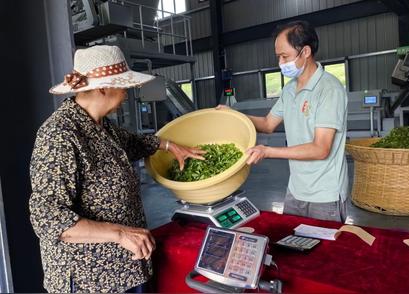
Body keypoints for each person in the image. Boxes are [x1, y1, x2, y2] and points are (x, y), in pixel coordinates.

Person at [29, 45, 205, 293]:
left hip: (127, 266)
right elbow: (47, 218)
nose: (126, 96)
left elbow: (132, 143)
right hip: (92, 278)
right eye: (124, 88)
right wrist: (120, 234)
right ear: (103, 87)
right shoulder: (60, 135)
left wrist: (168, 145)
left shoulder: (101, 125)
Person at [218, 21, 348, 222]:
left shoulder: (329, 89)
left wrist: (267, 151)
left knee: (323, 252)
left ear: (305, 51)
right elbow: (268, 124)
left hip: (325, 195)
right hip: (295, 191)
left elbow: (320, 148)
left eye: (285, 56)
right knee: (290, 246)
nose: (280, 63)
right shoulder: (289, 90)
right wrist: (234, 115)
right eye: (278, 56)